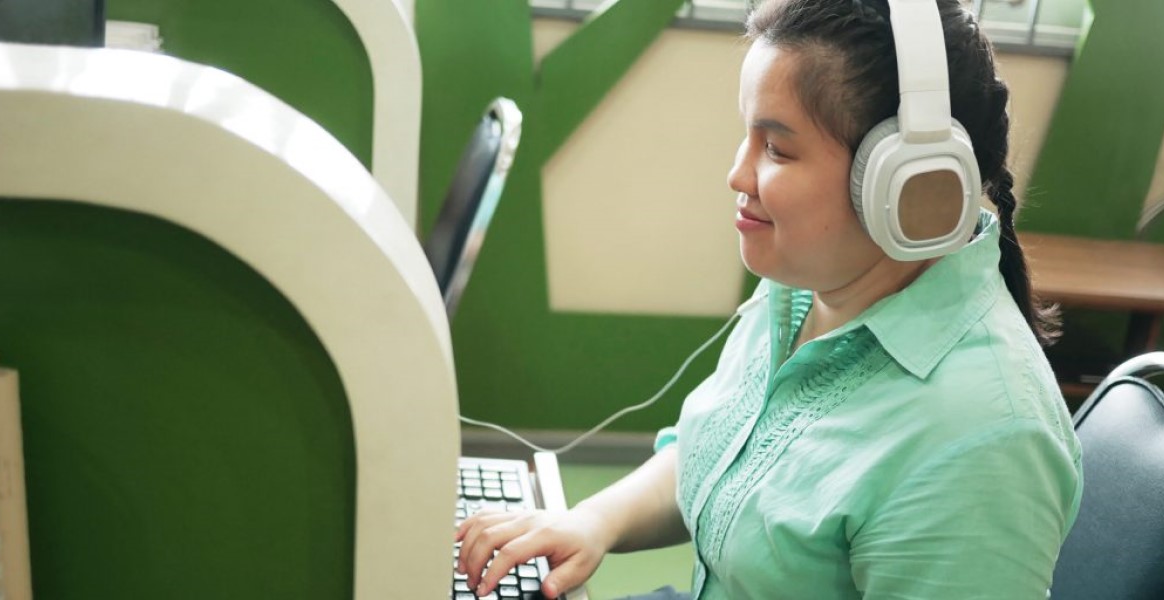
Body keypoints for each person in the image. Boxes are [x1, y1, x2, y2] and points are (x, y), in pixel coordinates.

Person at [455, 0, 1084, 598]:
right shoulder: (807, 285)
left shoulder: (983, 442)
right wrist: (592, 521)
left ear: (909, 182)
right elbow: (720, 456)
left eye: (777, 147)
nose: (737, 173)